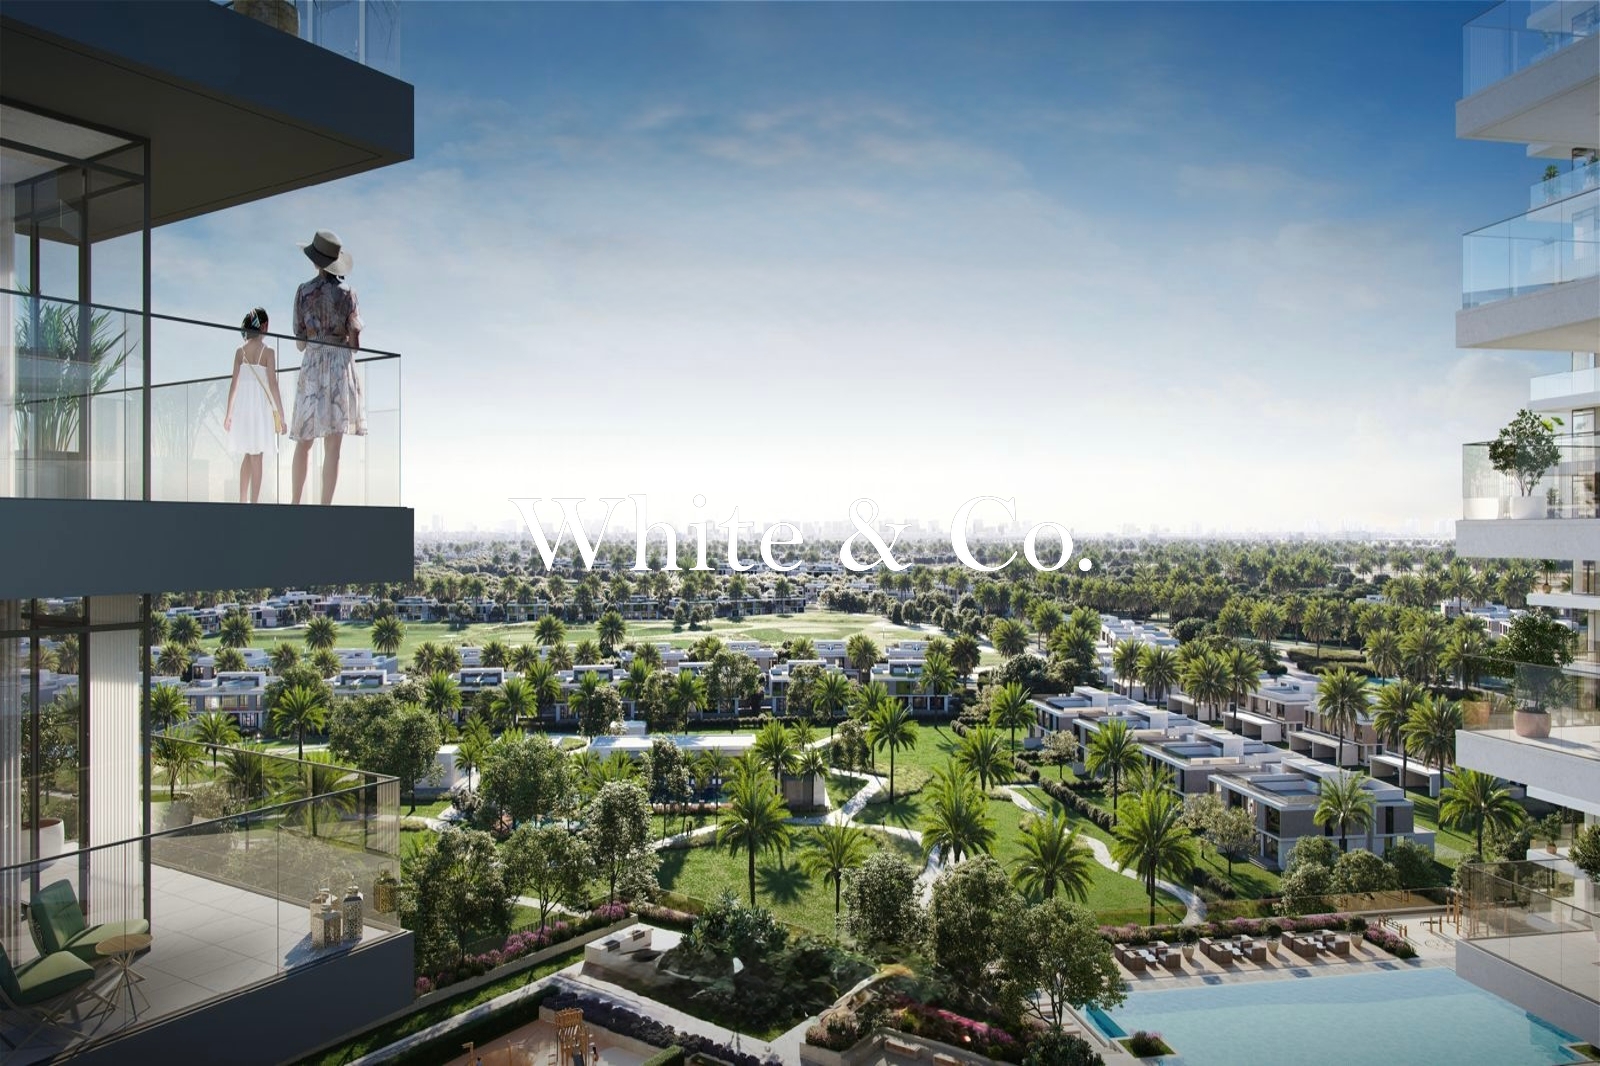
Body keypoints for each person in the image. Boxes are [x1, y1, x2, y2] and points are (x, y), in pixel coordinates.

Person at [289, 230, 365, 505]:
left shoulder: (303, 291)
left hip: (313, 363)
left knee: (304, 441)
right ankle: (325, 508)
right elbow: (354, 346)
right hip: (340, 367)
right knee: (333, 448)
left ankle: (295, 505)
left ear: (316, 260)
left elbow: (300, 344)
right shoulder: (349, 294)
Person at [223, 307, 286, 504]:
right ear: (264, 326)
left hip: (242, 409)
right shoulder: (268, 352)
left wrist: (229, 414)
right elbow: (273, 385)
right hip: (259, 409)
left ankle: (243, 501)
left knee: (248, 455)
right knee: (256, 455)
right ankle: (254, 504)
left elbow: (234, 385)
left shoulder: (239, 352)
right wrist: (281, 415)